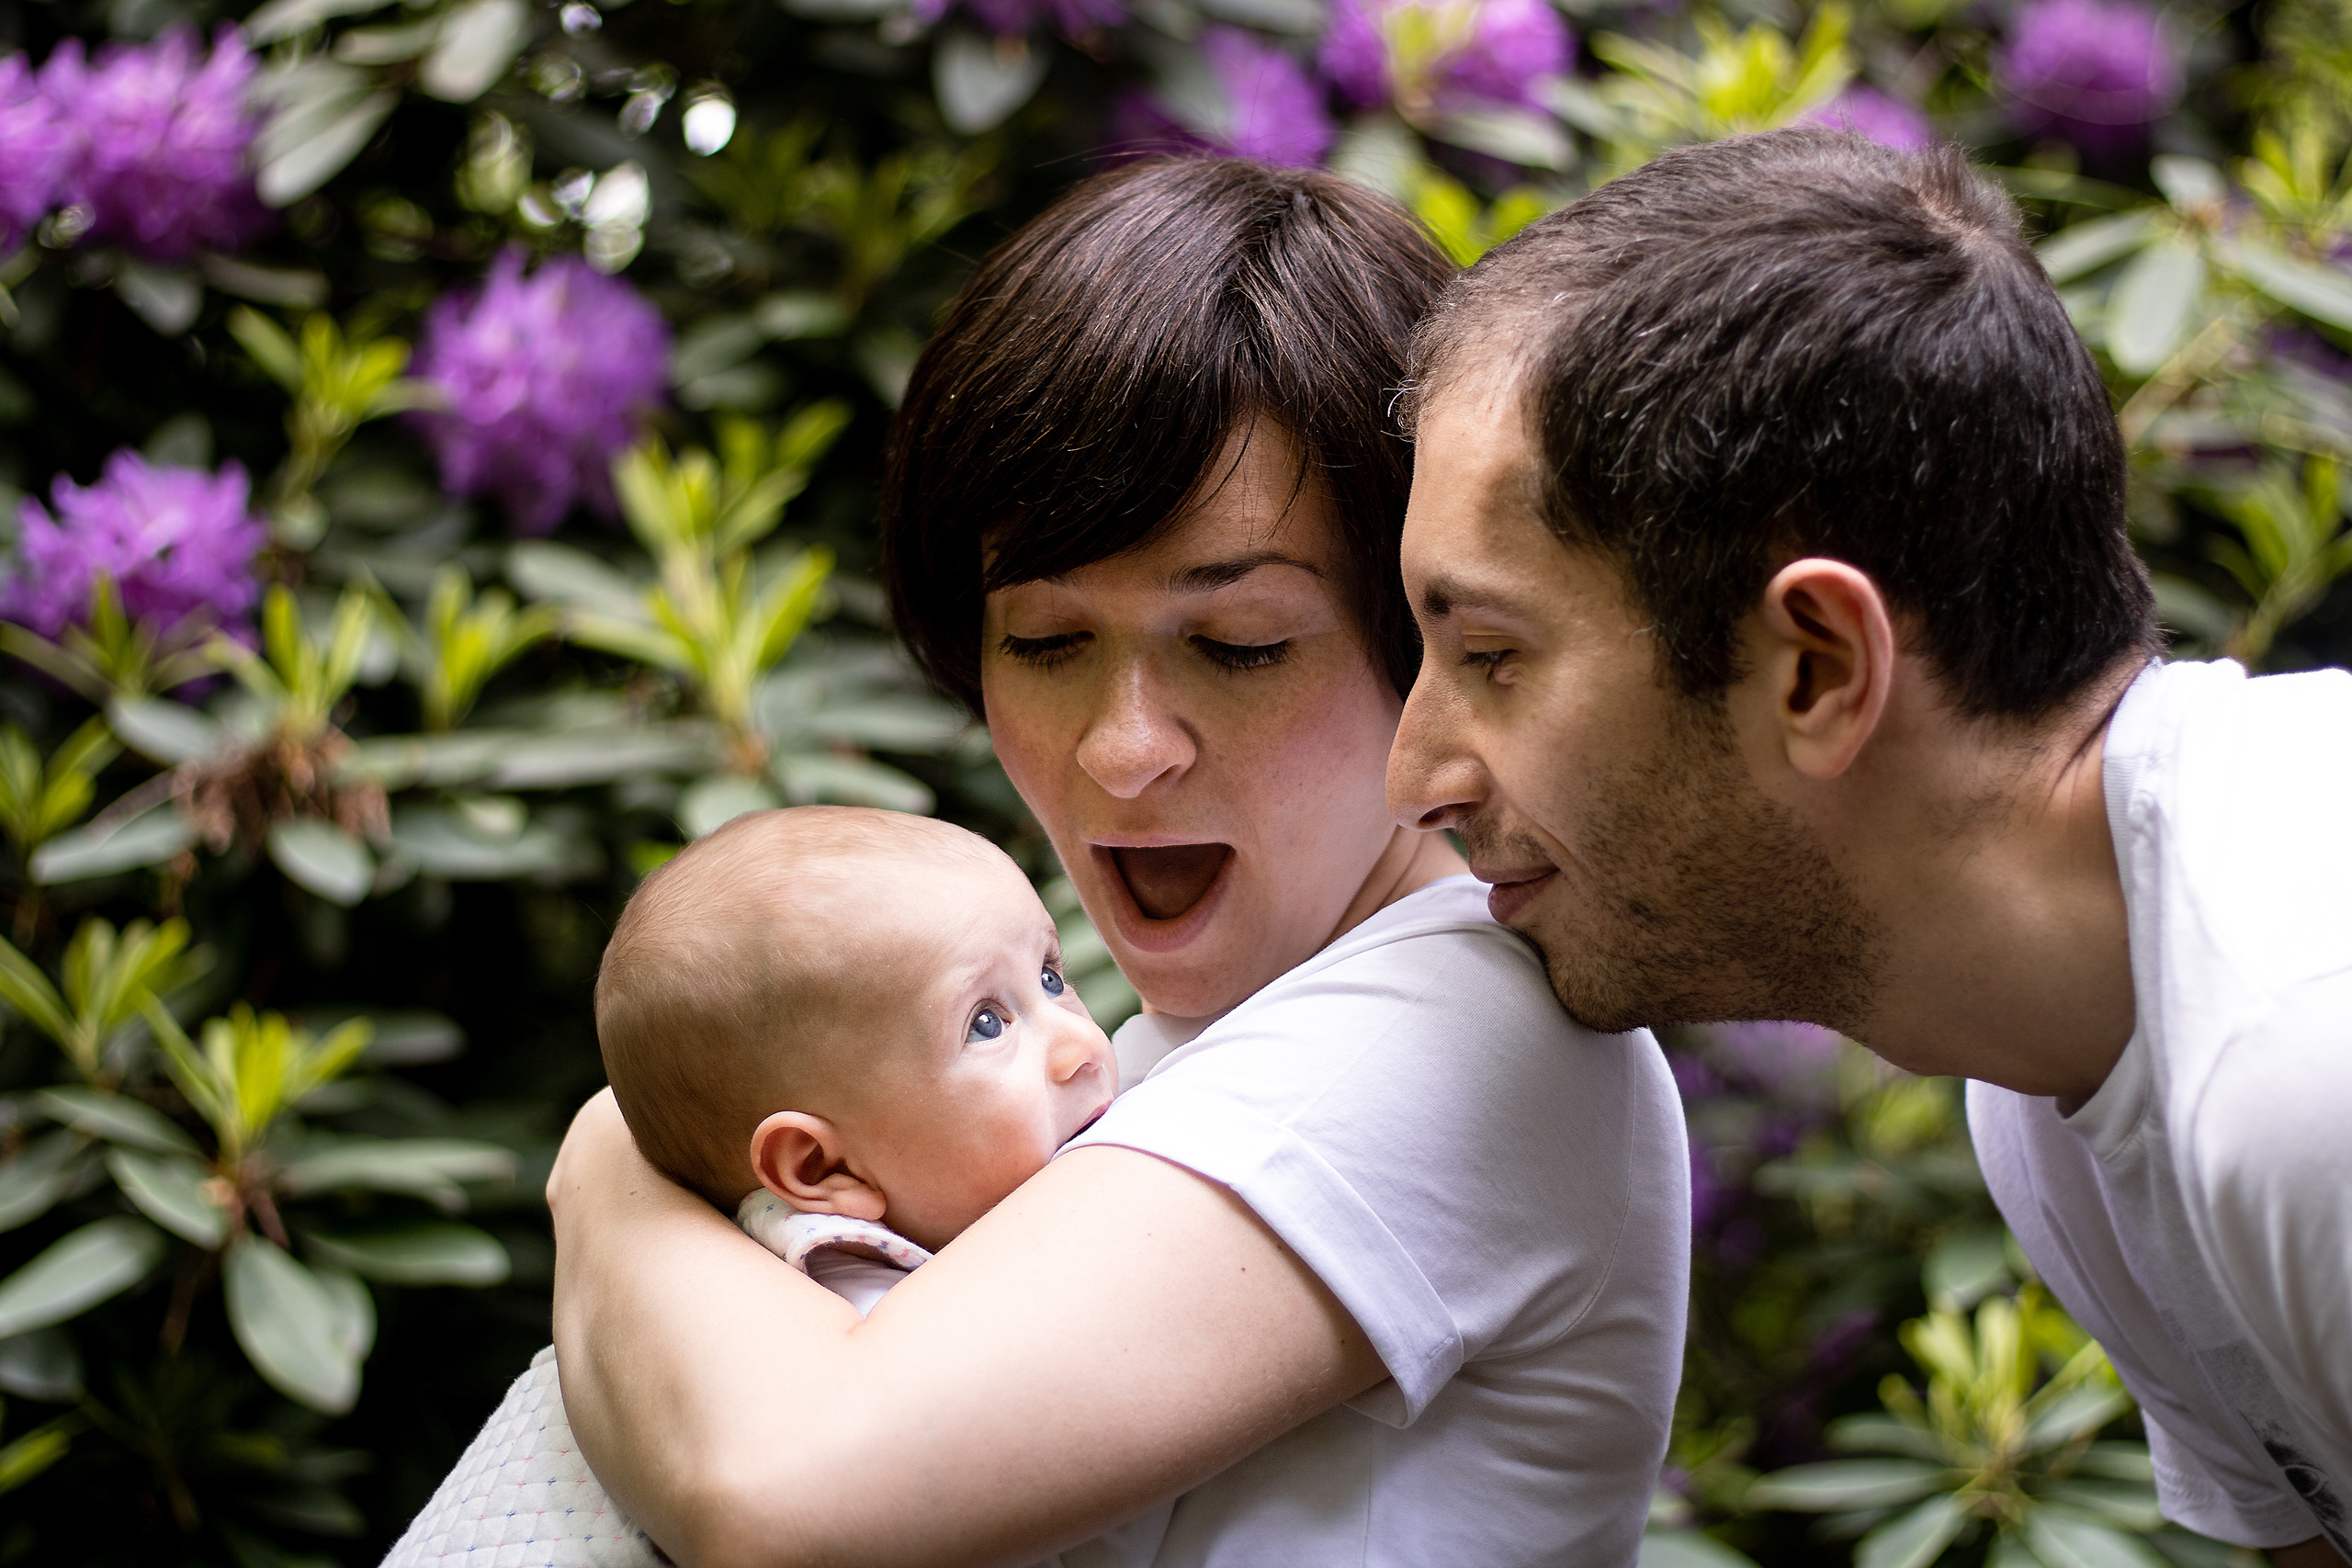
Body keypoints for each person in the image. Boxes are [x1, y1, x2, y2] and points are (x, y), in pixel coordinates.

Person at [544, 157, 1690, 1567]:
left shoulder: (1462, 1025)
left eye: (1242, 644)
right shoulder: (1146, 1061)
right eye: (1043, 641)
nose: (1123, 748)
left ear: (1429, 641)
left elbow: (780, 1486)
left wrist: (609, 1154)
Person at [1385, 126, 2352, 1567]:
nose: (1418, 771)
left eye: (1493, 653)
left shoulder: (2299, 1052)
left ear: (1817, 667)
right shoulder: (2058, 1081)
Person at [386, 807, 1169, 1568]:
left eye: (1049, 975)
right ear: (819, 1170)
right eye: (987, 1024)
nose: (1077, 1044)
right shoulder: (847, 1297)